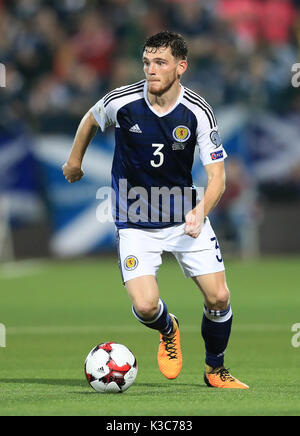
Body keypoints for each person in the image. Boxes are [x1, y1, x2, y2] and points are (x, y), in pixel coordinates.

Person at [63, 31, 249, 389]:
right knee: (147, 306)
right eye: (147, 62)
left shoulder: (198, 111)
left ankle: (215, 369)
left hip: (182, 215)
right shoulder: (123, 101)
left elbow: (218, 178)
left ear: (181, 67)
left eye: (160, 62)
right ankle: (168, 328)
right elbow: (90, 118)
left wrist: (200, 211)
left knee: (219, 296)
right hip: (134, 219)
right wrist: (74, 161)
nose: (151, 69)